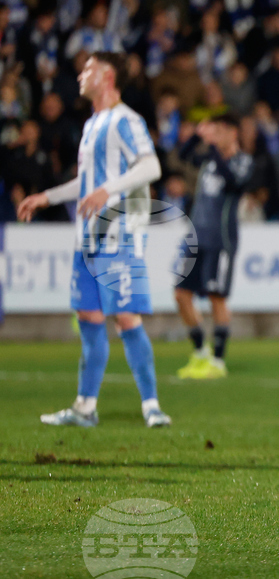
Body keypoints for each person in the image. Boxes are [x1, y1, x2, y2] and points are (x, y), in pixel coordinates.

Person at [17, 52, 171, 428]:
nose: (81, 75)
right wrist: (47, 197)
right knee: (88, 315)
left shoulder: (126, 119)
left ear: (107, 76)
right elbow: (85, 184)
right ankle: (85, 407)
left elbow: (151, 166)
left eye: (88, 69)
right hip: (86, 237)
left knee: (125, 317)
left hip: (118, 233)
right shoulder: (92, 124)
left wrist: (108, 189)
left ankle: (151, 405)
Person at [174, 114, 253, 379]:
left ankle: (218, 361)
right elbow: (184, 156)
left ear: (233, 133)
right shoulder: (210, 159)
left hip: (221, 240)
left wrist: (211, 149)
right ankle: (200, 353)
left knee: (216, 297)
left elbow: (232, 181)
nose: (215, 137)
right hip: (196, 237)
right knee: (181, 294)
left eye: (219, 132)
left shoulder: (243, 162)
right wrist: (197, 136)